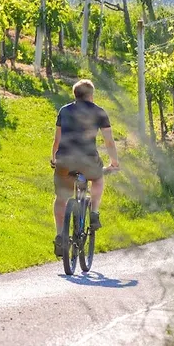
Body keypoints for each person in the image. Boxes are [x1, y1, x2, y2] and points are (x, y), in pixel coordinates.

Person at [50, 79, 118, 256]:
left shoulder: (64, 110)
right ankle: (94, 213)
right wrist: (114, 162)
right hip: (88, 160)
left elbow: (57, 140)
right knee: (98, 179)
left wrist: (53, 158)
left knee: (61, 198)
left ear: (75, 95)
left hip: (64, 160)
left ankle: (60, 236)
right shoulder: (99, 112)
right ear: (91, 95)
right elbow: (109, 142)